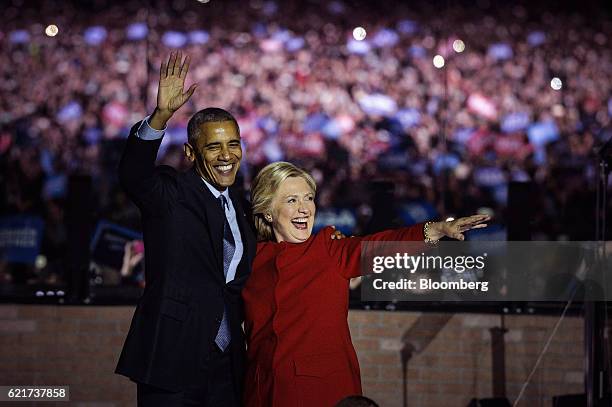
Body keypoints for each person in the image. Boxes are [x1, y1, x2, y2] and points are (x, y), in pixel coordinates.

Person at [242, 161, 489, 407]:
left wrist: (436, 229)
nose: (305, 208)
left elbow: (381, 247)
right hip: (261, 392)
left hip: (318, 391)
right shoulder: (250, 260)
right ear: (267, 210)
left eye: (308, 198)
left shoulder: (328, 249)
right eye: (292, 200)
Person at [115, 51, 256, 407]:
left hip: (228, 365)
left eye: (233, 144)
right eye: (214, 146)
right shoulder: (171, 193)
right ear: (192, 153)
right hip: (172, 357)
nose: (227, 155)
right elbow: (134, 175)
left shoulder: (241, 207)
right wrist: (160, 117)